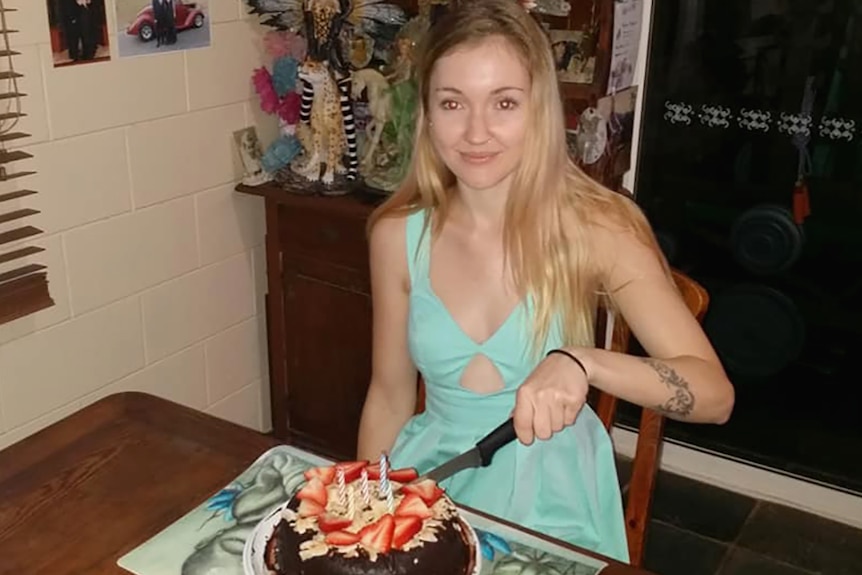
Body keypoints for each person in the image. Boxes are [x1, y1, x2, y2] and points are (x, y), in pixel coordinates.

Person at [356, 0, 734, 564]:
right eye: (453, 103)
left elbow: (713, 397)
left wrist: (585, 364)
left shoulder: (597, 227)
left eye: (504, 103)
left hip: (553, 503)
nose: (476, 131)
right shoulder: (396, 235)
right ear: (428, 115)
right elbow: (388, 396)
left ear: (540, 109)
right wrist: (367, 512)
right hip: (433, 486)